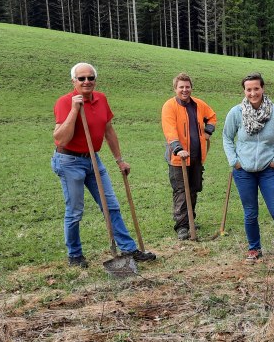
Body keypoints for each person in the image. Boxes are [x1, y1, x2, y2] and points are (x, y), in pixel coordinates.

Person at [52, 62, 156, 267]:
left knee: (111, 206)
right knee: (75, 211)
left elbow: (108, 131)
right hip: (69, 160)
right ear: (74, 81)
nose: (86, 81)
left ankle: (128, 249)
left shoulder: (101, 99)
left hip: (93, 159)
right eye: (81, 78)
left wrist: (119, 160)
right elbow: (60, 139)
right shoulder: (64, 102)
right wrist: (74, 109)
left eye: (90, 78)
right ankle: (75, 254)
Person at [222, 72, 274, 263]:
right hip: (243, 171)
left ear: (263, 88)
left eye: (256, 88)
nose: (253, 93)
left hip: (268, 170)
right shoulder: (235, 113)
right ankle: (254, 249)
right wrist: (234, 161)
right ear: (244, 91)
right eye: (249, 89)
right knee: (250, 213)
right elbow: (227, 138)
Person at [161, 72, 217, 240]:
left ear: (191, 87)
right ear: (175, 89)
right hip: (178, 158)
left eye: (187, 87)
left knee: (193, 189)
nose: (185, 90)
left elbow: (212, 117)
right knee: (181, 191)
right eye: (181, 87)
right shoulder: (169, 106)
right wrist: (178, 148)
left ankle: (190, 219)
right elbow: (170, 130)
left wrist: (208, 132)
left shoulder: (199, 104)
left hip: (197, 156)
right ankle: (182, 226)